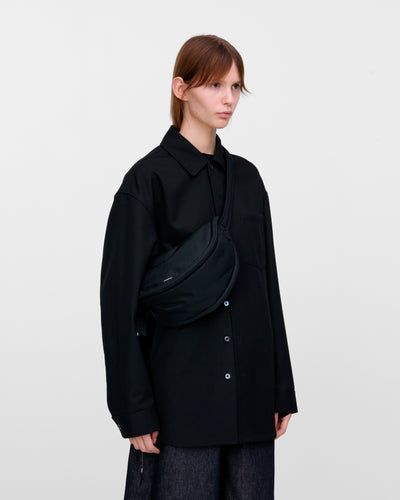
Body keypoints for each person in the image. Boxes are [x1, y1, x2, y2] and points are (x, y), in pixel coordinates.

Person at [100, 34, 298, 500]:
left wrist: (280, 388)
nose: (228, 98)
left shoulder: (247, 180)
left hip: (251, 401)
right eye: (214, 85)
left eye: (235, 86)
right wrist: (134, 410)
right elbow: (118, 303)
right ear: (181, 88)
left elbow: (267, 288)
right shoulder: (147, 181)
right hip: (181, 406)